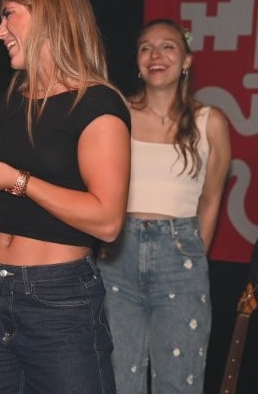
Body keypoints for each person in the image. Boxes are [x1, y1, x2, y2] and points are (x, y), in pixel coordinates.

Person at [0, 0, 131, 393]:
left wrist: (16, 179)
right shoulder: (11, 99)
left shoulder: (97, 104)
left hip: (57, 299)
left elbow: (107, 221)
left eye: (8, 14)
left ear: (48, 13)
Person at [98, 19, 231, 393]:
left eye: (167, 46)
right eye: (146, 47)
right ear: (138, 62)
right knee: (117, 380)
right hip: (117, 254)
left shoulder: (211, 122)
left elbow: (212, 198)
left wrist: (193, 253)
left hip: (180, 256)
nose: (155, 55)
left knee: (179, 381)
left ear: (187, 60)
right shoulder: (115, 113)